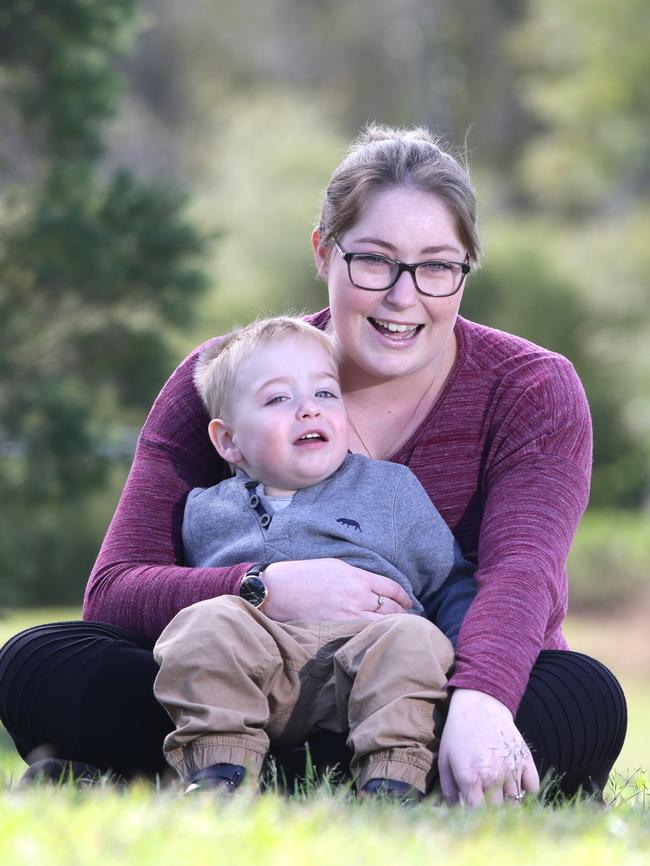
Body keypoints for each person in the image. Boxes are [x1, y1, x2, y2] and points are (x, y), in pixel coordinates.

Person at [0, 123, 626, 804]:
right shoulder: (225, 377)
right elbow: (115, 591)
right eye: (373, 260)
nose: (403, 296)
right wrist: (266, 588)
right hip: (236, 677)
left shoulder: (530, 387)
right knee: (41, 665)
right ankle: (316, 775)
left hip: (419, 686)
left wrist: (481, 697)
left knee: (582, 697)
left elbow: (520, 575)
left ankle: (205, 775)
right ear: (324, 251)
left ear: (466, 268)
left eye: (438, 266)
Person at [153, 315, 476, 798]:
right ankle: (219, 772)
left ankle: (392, 780)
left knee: (412, 638)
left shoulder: (389, 489)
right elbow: (166, 597)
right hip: (260, 668)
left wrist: (471, 681)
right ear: (228, 441)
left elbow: (449, 583)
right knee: (204, 623)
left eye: (325, 394)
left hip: (366, 664)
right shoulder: (205, 509)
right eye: (278, 399)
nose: (309, 411)